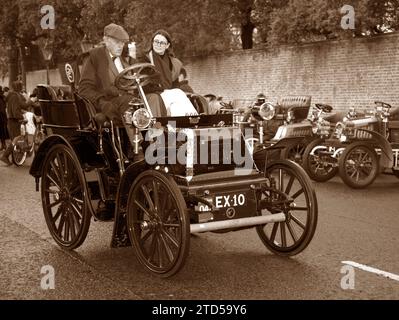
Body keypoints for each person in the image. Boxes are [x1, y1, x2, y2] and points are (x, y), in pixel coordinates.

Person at [78, 23, 166, 123]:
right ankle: (137, 137)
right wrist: (101, 102)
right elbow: (84, 89)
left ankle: (157, 133)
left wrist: (151, 80)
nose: (121, 46)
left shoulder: (125, 59)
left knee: (154, 98)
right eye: (117, 42)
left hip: (129, 99)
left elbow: (136, 79)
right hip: (110, 101)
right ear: (106, 40)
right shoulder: (94, 57)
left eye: (123, 42)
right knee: (130, 102)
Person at [144, 29, 198, 116]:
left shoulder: (171, 62)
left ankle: (176, 127)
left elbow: (174, 84)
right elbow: (144, 84)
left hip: (168, 93)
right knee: (177, 93)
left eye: (162, 43)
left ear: (167, 45)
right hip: (153, 93)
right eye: (156, 41)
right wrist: (163, 90)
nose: (158, 45)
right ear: (152, 42)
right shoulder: (145, 59)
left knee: (175, 105)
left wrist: (170, 90)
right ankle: (192, 119)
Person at [0, 81, 28, 165]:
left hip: (11, 121)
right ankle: (5, 156)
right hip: (14, 121)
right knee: (16, 140)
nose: (22, 88)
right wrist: (22, 117)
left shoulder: (11, 95)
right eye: (21, 86)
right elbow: (15, 111)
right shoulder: (15, 96)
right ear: (18, 87)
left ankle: (13, 159)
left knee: (14, 140)